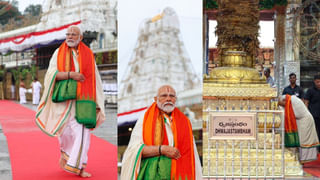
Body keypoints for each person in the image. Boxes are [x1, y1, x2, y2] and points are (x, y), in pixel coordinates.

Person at [35, 25, 105, 177]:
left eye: (74, 34)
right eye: (68, 34)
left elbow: (95, 79)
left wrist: (98, 102)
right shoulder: (58, 52)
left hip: (83, 101)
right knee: (65, 134)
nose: (70, 37)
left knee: (82, 133)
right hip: (64, 102)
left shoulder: (88, 54)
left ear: (80, 38)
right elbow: (50, 75)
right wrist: (70, 75)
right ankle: (67, 156)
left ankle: (78, 167)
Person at [121, 85, 202, 180]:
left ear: (175, 99)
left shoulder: (185, 122)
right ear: (156, 99)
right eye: (164, 96)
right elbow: (133, 150)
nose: (168, 99)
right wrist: (161, 149)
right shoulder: (145, 119)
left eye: (172, 96)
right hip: (152, 175)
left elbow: (193, 155)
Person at [279, 95, 320, 164]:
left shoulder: (294, 101)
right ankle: (298, 159)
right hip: (300, 122)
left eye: (282, 104)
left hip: (306, 122)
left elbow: (296, 114)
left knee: (302, 141)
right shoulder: (290, 101)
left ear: (284, 100)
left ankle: (303, 160)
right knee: (299, 141)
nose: (283, 106)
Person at [304, 74, 320, 152]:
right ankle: (312, 149)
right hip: (312, 115)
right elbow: (306, 102)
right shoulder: (310, 91)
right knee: (313, 132)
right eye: (317, 82)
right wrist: (307, 114)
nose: (319, 83)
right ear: (314, 82)